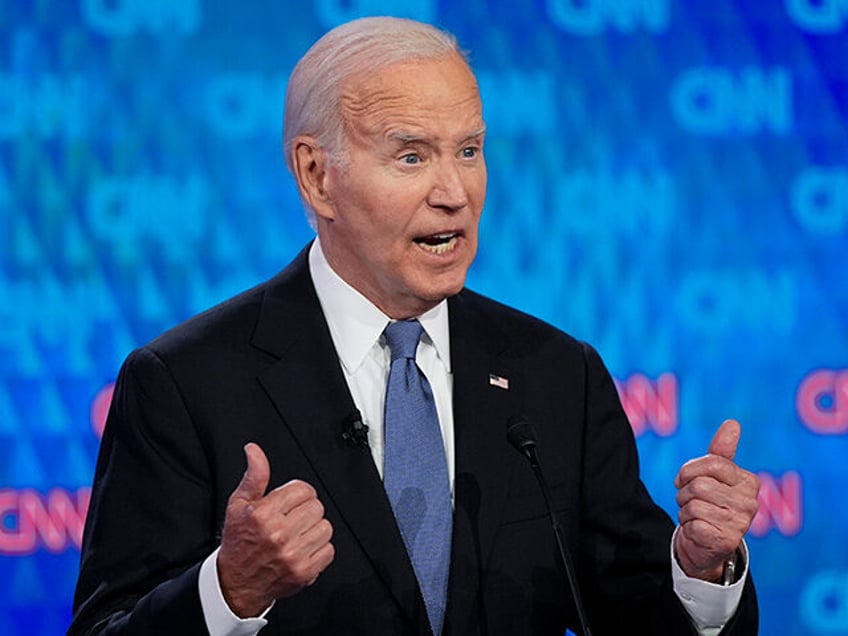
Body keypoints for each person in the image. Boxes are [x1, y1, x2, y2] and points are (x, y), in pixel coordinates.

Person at [68, 16, 760, 636]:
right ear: (316, 175)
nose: (454, 193)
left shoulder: (556, 375)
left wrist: (701, 571)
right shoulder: (187, 385)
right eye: (411, 156)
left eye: (468, 150)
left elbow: (634, 616)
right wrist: (228, 593)